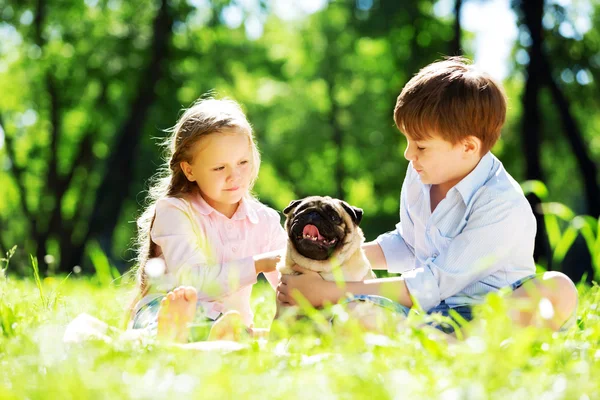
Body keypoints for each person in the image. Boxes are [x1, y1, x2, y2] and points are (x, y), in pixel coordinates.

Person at [276, 57, 578, 334]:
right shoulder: (421, 174)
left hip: (490, 315)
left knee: (557, 289)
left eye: (420, 146)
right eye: (407, 141)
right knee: (355, 313)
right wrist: (328, 260)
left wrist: (328, 291)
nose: (409, 154)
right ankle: (436, 344)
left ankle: (462, 348)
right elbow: (409, 244)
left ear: (468, 147)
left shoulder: (500, 203)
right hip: (430, 315)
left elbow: (431, 283)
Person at [129, 97, 284, 343]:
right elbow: (192, 281)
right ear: (189, 170)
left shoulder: (264, 220)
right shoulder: (175, 211)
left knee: (236, 332)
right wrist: (256, 264)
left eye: (243, 162)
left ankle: (221, 335)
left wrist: (296, 315)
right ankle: (177, 330)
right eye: (219, 168)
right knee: (169, 319)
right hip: (163, 310)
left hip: (230, 322)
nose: (235, 176)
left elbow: (291, 281)